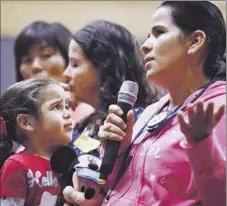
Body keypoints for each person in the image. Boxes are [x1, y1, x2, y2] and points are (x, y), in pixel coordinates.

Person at [63, 1, 226, 206]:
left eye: (159, 33)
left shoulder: (220, 107)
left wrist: (202, 146)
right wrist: (118, 153)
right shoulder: (152, 112)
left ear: (195, 41)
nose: (145, 45)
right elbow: (119, 188)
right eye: (148, 36)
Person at [63, 20, 160, 157]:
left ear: (104, 65)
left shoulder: (137, 120)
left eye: (75, 64)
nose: (66, 74)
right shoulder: (87, 122)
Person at [0, 78, 73, 206]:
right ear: (26, 122)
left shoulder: (66, 163)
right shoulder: (17, 165)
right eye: (57, 107)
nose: (68, 114)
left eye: (66, 106)